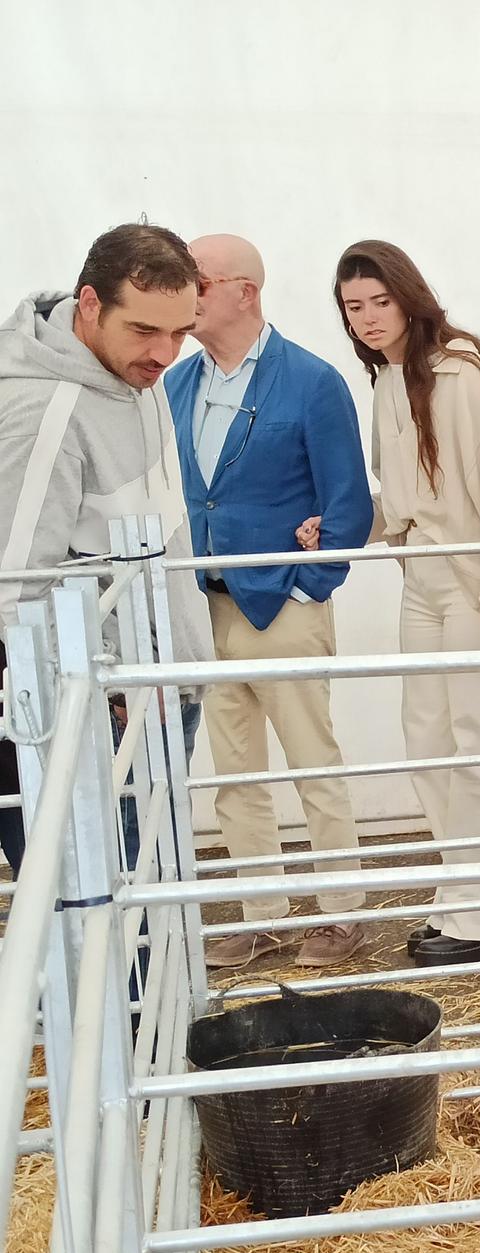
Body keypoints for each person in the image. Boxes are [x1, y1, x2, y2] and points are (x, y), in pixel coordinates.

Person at [164, 235, 374, 969]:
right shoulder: (175, 385)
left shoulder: (312, 382)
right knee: (235, 772)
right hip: (203, 607)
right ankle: (264, 914)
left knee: (312, 759)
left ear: (244, 291)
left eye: (197, 281)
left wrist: (306, 585)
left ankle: (343, 912)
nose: (182, 293)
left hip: (281, 605)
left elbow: (348, 505)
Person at [333, 240, 480, 965]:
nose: (367, 318)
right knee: (428, 743)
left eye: (379, 302)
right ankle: (462, 902)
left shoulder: (464, 376)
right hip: (420, 579)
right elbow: (413, 498)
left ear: (408, 296)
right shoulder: (389, 381)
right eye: (353, 307)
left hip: (473, 580)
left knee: (479, 746)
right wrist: (347, 522)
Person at [0, 223, 213, 875]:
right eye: (146, 330)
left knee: (152, 905)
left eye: (180, 332)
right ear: (90, 305)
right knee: (110, 927)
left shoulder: (128, 373)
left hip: (157, 682)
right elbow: (14, 586)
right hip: (104, 711)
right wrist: (96, 685)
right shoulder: (47, 412)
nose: (166, 353)